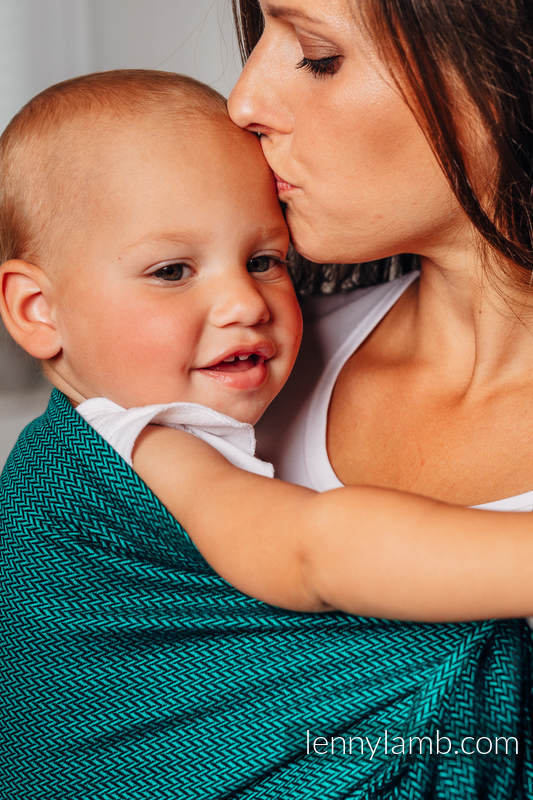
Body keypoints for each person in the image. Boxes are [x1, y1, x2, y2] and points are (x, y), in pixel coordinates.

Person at [0, 70, 530, 799]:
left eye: (263, 260)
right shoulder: (142, 444)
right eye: (171, 270)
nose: (243, 301)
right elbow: (312, 550)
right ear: (36, 311)